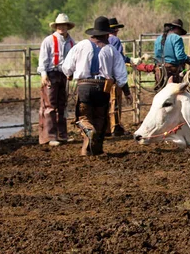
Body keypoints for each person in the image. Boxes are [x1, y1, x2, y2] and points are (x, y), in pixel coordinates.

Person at [62, 16, 132, 156]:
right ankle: (95, 150)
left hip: (84, 86)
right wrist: (126, 90)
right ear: (106, 34)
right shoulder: (111, 50)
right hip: (103, 87)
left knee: (83, 116)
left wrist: (69, 74)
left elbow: (67, 67)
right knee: (100, 118)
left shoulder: (80, 46)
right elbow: (121, 75)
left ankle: (88, 131)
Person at [37, 13, 76, 147]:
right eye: (59, 25)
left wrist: (71, 72)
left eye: (63, 25)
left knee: (62, 105)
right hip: (51, 74)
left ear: (67, 26)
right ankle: (50, 136)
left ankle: (62, 134)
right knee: (50, 106)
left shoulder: (72, 42)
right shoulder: (48, 41)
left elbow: (73, 59)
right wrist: (43, 74)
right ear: (56, 26)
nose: (61, 27)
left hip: (64, 75)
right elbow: (43, 59)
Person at [153, 18, 190, 83]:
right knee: (189, 89)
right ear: (177, 29)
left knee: (159, 91)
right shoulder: (177, 38)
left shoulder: (158, 39)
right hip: (172, 72)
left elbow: (156, 56)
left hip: (159, 72)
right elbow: (180, 56)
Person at [107, 17, 131, 137]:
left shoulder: (102, 40)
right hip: (114, 77)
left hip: (104, 76)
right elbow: (118, 57)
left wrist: (129, 59)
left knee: (105, 103)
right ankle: (115, 127)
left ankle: (106, 128)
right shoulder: (115, 40)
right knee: (115, 101)